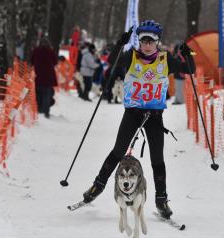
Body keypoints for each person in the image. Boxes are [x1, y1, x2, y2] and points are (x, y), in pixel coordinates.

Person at [81, 20, 196, 219]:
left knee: (157, 158)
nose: (147, 44)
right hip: (133, 113)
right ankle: (97, 186)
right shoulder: (131, 56)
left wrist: (187, 54)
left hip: (154, 115)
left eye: (151, 41)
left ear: (157, 41)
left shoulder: (165, 58)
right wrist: (120, 43)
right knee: (118, 151)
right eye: (143, 40)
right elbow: (112, 61)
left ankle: (161, 200)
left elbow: (189, 70)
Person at [31, 37, 58, 118]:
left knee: (38, 93)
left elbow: (32, 61)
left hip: (38, 76)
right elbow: (55, 62)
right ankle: (46, 112)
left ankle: (39, 109)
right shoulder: (50, 51)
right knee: (47, 95)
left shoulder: (36, 50)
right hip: (48, 77)